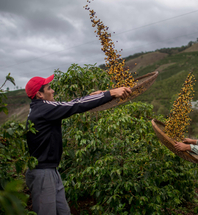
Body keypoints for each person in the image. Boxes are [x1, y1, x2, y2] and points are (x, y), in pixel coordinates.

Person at [24, 74, 131, 215]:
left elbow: (72, 103)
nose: (52, 91)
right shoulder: (44, 109)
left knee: (64, 212)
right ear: (39, 94)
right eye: (49, 88)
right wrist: (110, 93)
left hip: (50, 170)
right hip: (43, 173)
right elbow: (75, 105)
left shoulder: (39, 108)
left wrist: (92, 96)